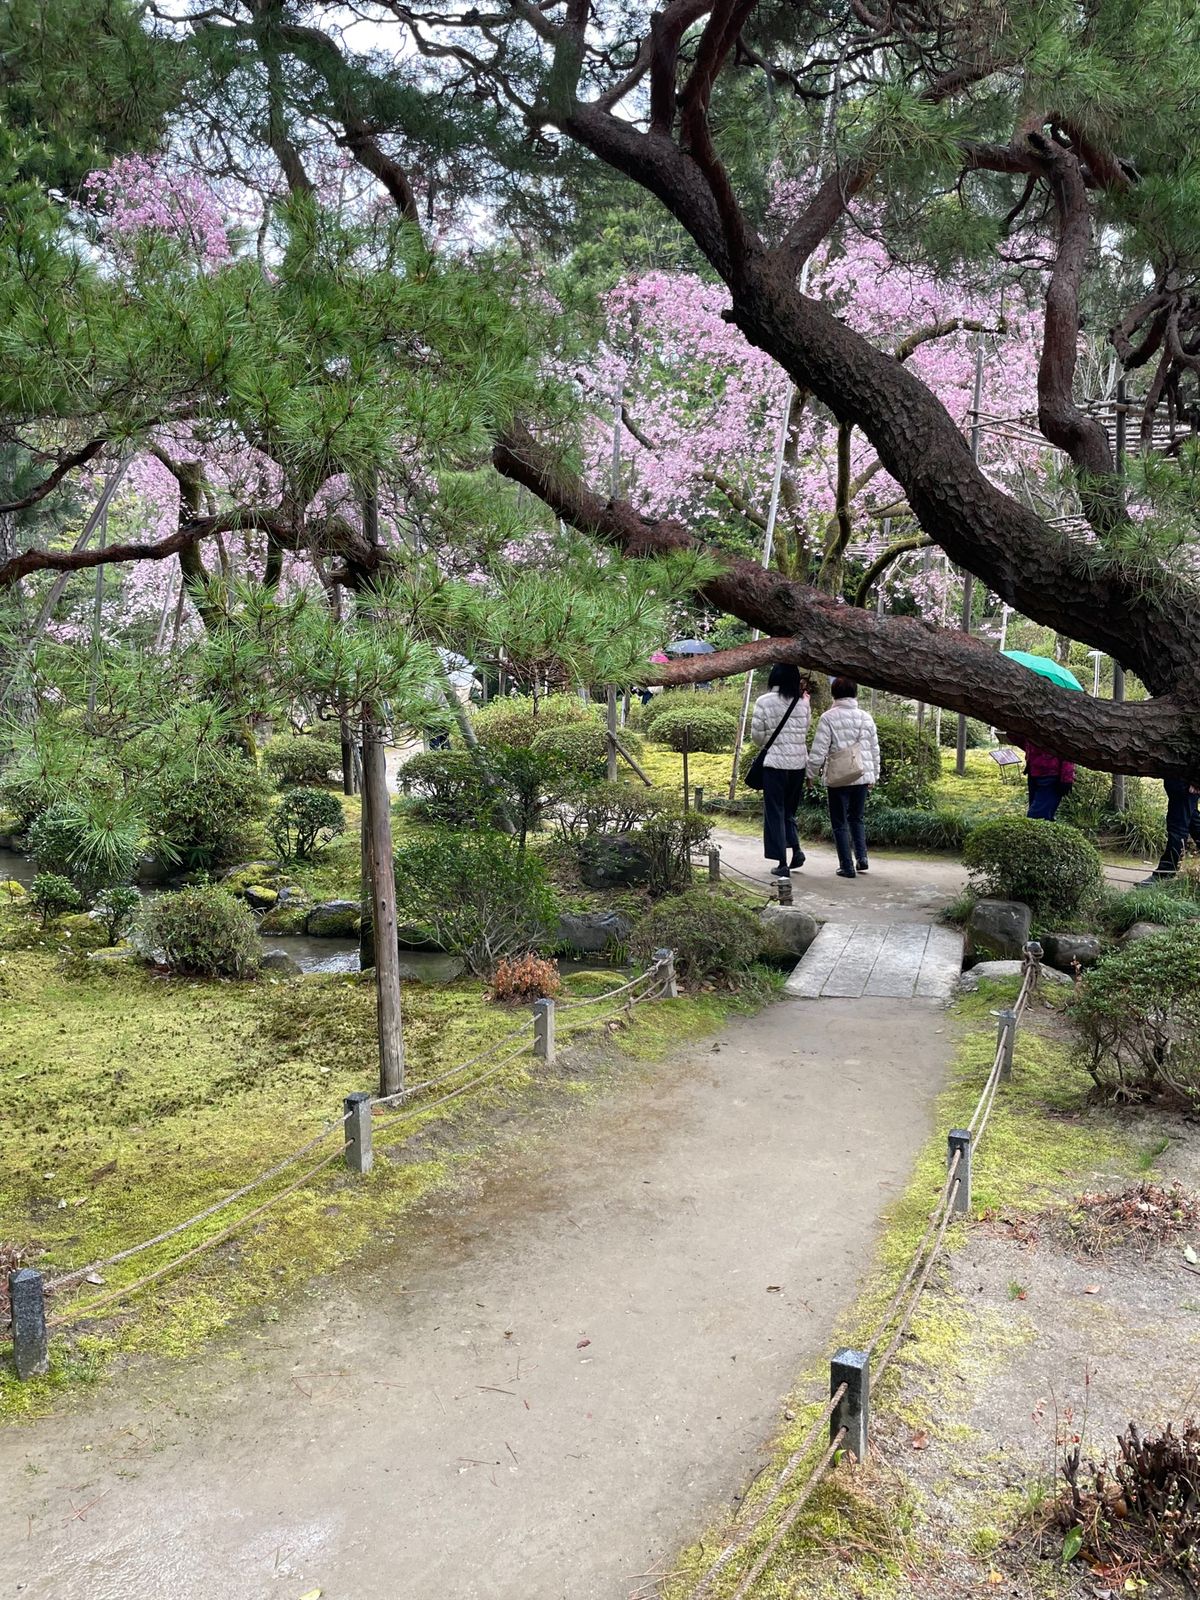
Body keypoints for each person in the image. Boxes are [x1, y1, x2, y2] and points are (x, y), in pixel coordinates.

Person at [809, 677, 881, 879]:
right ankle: (862, 858)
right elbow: (874, 750)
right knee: (857, 819)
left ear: (834, 694)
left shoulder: (828, 717)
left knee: (839, 823)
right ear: (856, 693)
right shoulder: (866, 717)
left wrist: (810, 774)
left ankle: (846, 866)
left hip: (839, 778)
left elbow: (819, 750)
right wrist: (873, 775)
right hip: (861, 775)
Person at [749, 663, 811, 878]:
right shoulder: (802, 703)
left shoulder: (764, 701)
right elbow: (805, 729)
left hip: (775, 765)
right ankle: (796, 850)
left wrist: (772, 743)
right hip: (798, 765)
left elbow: (757, 737)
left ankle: (782, 862)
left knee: (775, 812)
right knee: (789, 812)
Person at [1140, 778, 1200, 884]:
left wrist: (1196, 780)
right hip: (1179, 779)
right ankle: (1165, 873)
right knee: (1193, 822)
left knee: (1177, 828)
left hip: (1186, 781)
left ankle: (1165, 874)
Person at [1007, 734, 1075, 820]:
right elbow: (1020, 740)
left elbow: (1067, 750)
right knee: (1039, 819)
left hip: (1052, 777)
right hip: (1033, 774)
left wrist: (1066, 778)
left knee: (1037, 818)